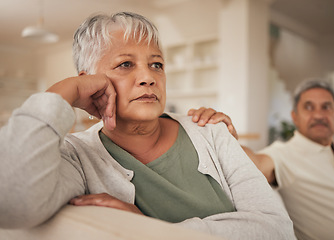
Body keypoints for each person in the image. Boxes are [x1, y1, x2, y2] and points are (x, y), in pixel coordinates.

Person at [0, 12, 295, 239]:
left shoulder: (210, 130)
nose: (148, 77)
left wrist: (150, 228)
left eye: (156, 64)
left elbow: (277, 229)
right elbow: (11, 202)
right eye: (125, 64)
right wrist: (64, 92)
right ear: (88, 79)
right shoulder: (77, 156)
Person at [189, 79, 334, 240]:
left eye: (326, 107)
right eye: (309, 107)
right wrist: (227, 139)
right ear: (295, 117)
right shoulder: (283, 154)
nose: (319, 115)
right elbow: (254, 162)